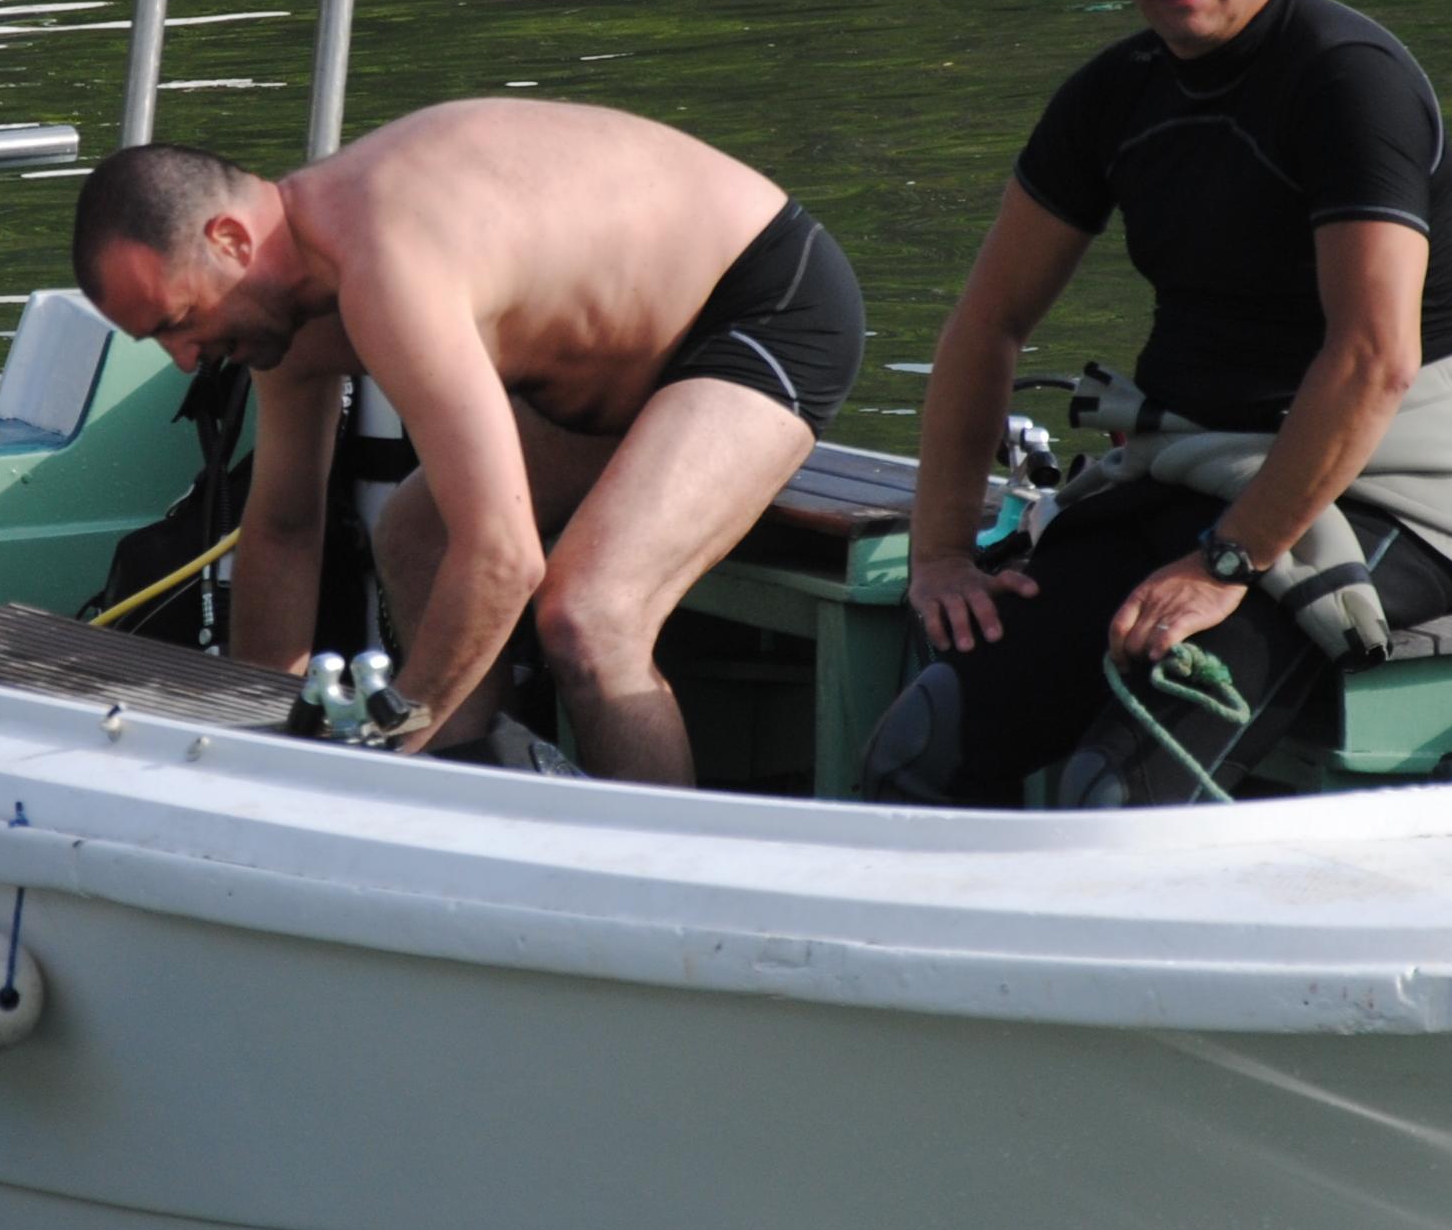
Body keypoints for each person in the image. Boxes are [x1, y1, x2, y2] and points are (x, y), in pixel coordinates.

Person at [874, 0, 1452, 807]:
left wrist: (1228, 559)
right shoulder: (1110, 96)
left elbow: (1374, 359)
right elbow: (986, 324)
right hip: (1185, 476)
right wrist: (939, 554)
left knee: (1114, 795)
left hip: (1375, 497)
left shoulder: (1348, 83)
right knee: (917, 747)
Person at [70, 100, 864, 785]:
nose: (184, 360)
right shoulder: (286, 317)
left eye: (179, 322)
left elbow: (503, 558)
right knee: (413, 537)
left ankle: (669, 882)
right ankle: (470, 801)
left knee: (589, 616)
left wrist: (389, 745)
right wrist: (258, 753)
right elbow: (282, 529)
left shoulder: (386, 265)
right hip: (601, 371)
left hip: (755, 305)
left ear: (231, 242)